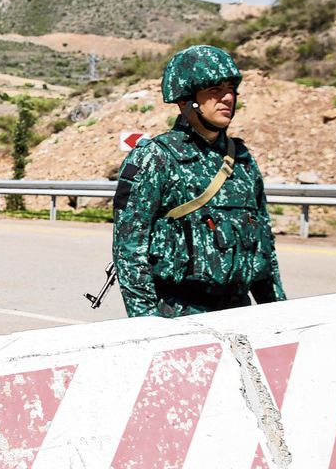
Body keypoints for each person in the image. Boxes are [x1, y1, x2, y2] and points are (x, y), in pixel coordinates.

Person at [112, 45, 285, 318]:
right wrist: (147, 325)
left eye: (231, 89)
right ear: (186, 99)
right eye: (214, 90)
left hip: (241, 315)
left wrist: (277, 315)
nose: (228, 97)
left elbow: (264, 246)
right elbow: (130, 251)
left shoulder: (241, 158)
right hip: (179, 317)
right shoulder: (156, 158)